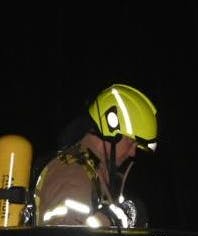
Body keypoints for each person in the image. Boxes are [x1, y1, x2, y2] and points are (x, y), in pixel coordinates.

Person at [32, 84, 158, 228]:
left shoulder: (94, 172)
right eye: (131, 142)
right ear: (110, 127)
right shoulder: (74, 172)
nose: (132, 152)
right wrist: (113, 219)